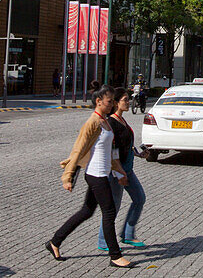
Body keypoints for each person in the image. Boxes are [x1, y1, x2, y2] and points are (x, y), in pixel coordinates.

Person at [47, 86, 133, 269]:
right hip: (95, 174)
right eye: (109, 102)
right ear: (99, 101)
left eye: (112, 102)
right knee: (109, 212)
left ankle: (54, 241)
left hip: (104, 172)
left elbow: (111, 152)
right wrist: (67, 177)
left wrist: (120, 172)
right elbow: (78, 150)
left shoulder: (106, 121)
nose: (111, 105)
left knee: (86, 211)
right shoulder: (92, 122)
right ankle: (115, 255)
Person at [97, 88, 148, 252]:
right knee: (113, 207)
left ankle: (127, 234)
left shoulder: (122, 121)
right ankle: (104, 240)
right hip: (117, 171)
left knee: (139, 198)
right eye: (125, 100)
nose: (128, 102)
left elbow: (126, 145)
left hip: (127, 169)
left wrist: (139, 154)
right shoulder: (111, 123)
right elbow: (113, 150)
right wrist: (119, 172)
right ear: (117, 103)